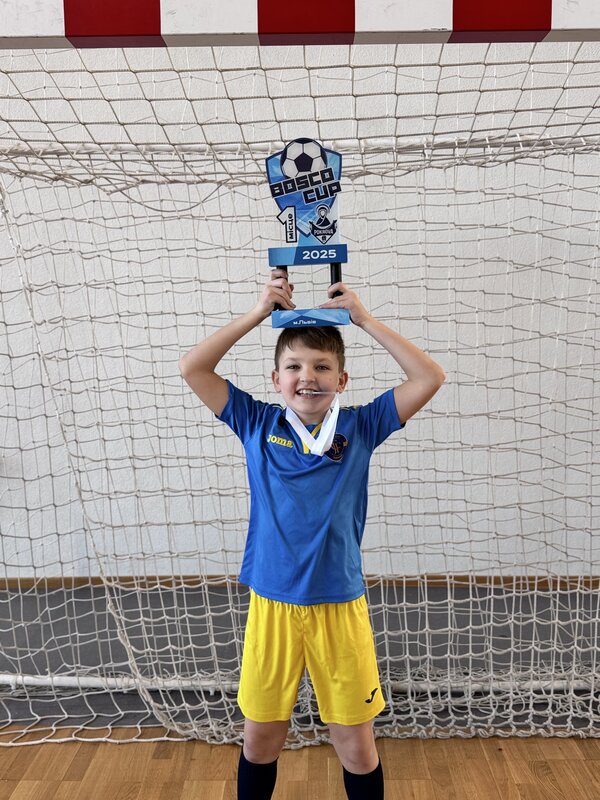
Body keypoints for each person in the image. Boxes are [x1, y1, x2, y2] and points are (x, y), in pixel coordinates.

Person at [179, 270, 445, 799]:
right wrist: (259, 313)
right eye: (295, 366)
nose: (308, 376)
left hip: (338, 605)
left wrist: (363, 319)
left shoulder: (362, 426)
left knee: (357, 748)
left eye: (323, 366)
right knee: (260, 742)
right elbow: (194, 367)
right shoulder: (255, 423)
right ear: (275, 378)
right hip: (272, 603)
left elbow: (429, 377)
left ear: (341, 380)